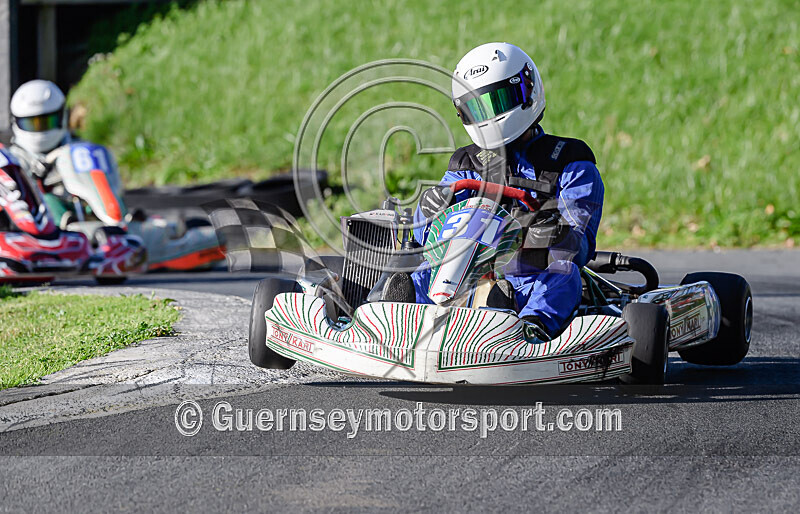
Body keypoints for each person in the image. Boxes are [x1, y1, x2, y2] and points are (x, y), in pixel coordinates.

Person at [411, 42, 604, 339]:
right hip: (465, 276)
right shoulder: (466, 162)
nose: (489, 115)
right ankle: (392, 316)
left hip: (529, 276)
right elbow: (429, 237)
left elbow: (579, 238)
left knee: (564, 273)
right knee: (423, 269)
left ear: (526, 90)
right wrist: (428, 212)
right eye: (478, 107)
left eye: (498, 101)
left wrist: (555, 232)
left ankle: (529, 331)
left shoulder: (570, 160)